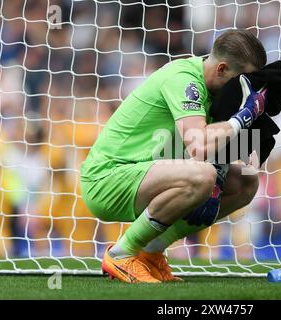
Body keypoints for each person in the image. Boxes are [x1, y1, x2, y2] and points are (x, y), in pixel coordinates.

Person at [80, 29, 268, 283]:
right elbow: (199, 147)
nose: (246, 89)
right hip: (107, 179)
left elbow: (230, 153)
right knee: (203, 175)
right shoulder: (184, 79)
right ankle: (121, 254)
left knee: (246, 180)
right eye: (243, 80)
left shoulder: (219, 95)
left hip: (145, 175)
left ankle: (151, 251)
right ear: (222, 69)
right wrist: (241, 118)